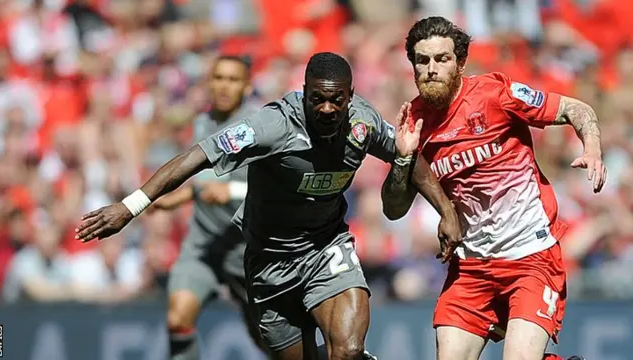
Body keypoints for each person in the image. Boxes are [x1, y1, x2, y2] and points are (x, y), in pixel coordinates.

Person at [75, 52, 461, 360]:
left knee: (348, 350)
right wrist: (131, 207)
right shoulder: (269, 127)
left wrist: (445, 210)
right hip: (267, 263)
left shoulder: (363, 123)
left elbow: (409, 159)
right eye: (318, 99)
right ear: (304, 91)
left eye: (337, 100)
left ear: (350, 95)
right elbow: (194, 158)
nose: (327, 109)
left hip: (326, 248)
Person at [381, 16, 604, 360]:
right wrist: (402, 160)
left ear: (460, 63)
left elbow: (576, 108)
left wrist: (591, 148)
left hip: (530, 258)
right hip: (471, 268)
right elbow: (394, 210)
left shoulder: (495, 93)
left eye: (442, 59)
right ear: (412, 65)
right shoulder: (414, 121)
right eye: (422, 60)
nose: (431, 68)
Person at [149, 55, 265, 360]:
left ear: (247, 85)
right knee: (177, 319)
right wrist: (177, 199)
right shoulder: (203, 123)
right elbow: (206, 182)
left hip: (246, 253)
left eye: (233, 79)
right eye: (219, 78)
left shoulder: (259, 127)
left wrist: (232, 191)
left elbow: (273, 189)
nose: (224, 86)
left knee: (269, 342)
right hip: (203, 247)